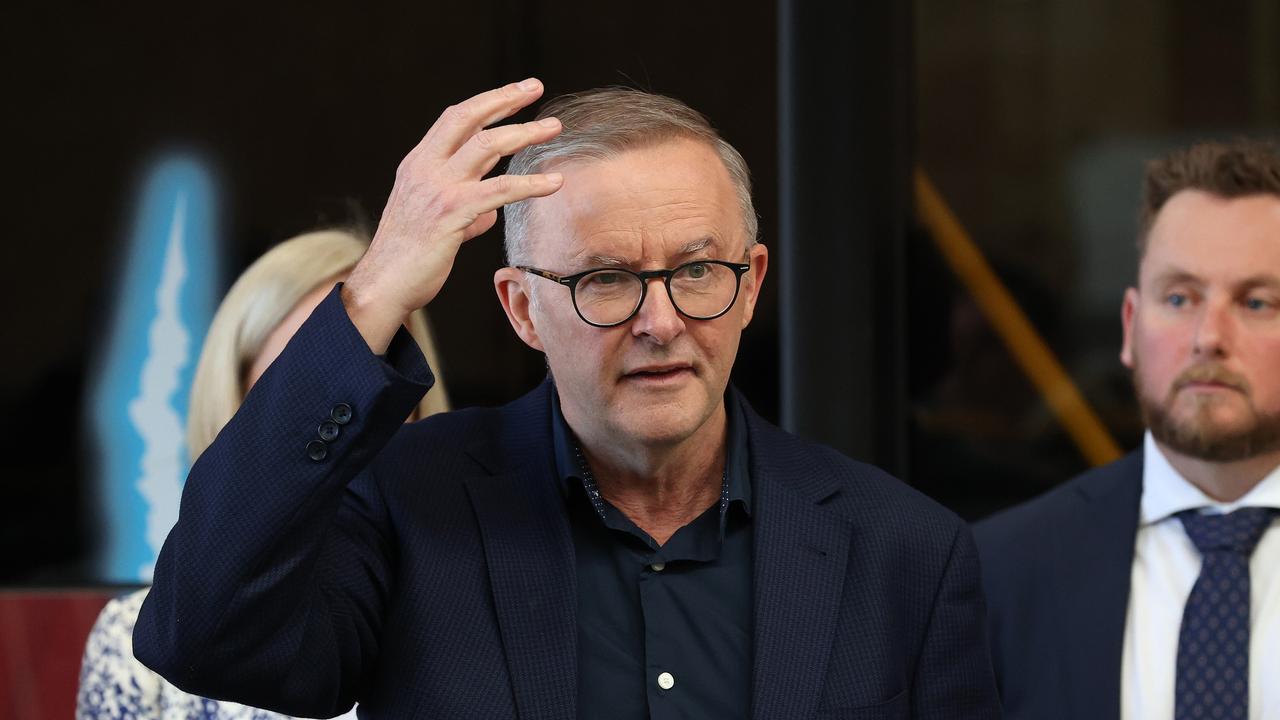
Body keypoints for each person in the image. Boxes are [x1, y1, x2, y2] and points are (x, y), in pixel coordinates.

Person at [133, 79, 1001, 719]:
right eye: (607, 279)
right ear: (521, 308)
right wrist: (368, 300)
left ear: (750, 285)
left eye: (698, 271)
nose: (661, 322)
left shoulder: (905, 554)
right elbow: (197, 632)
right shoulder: (411, 505)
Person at [77, 229, 449, 719]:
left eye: (374, 375)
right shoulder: (135, 647)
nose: (354, 416)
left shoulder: (469, 617)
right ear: (238, 402)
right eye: (310, 390)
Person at [975, 139, 1280, 720]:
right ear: (1130, 327)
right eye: (1179, 297)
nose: (1208, 336)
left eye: (1256, 302)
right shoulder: (1000, 574)